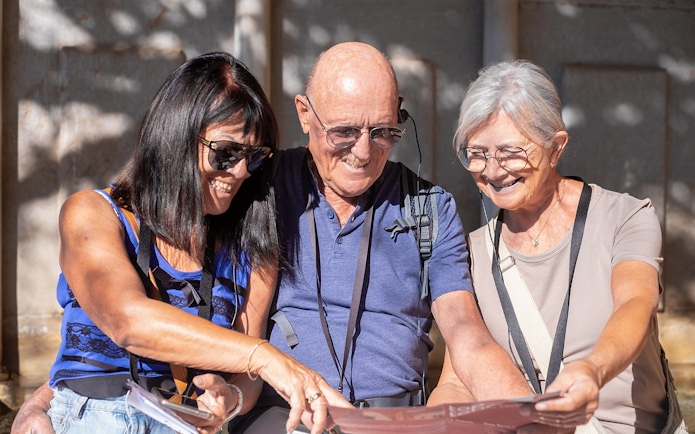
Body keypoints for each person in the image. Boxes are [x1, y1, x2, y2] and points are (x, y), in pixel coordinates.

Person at [11, 52, 348, 434]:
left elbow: (247, 377)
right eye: (225, 152)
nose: (239, 172)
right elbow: (128, 321)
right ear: (176, 138)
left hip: (183, 423)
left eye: (254, 157)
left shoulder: (250, 245)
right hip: (96, 416)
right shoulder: (94, 214)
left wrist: (230, 400)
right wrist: (265, 357)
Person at [230, 42, 539, 433]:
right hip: (284, 413)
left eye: (382, 132)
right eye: (343, 132)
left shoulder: (429, 208)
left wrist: (527, 415)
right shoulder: (262, 186)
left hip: (393, 421)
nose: (363, 151)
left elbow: (465, 333)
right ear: (305, 114)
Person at [431, 59, 687, 433]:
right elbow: (456, 378)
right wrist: (436, 420)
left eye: (510, 151)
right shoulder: (469, 252)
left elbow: (636, 303)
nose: (493, 170)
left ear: (555, 148)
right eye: (477, 153)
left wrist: (592, 370)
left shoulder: (624, 218)